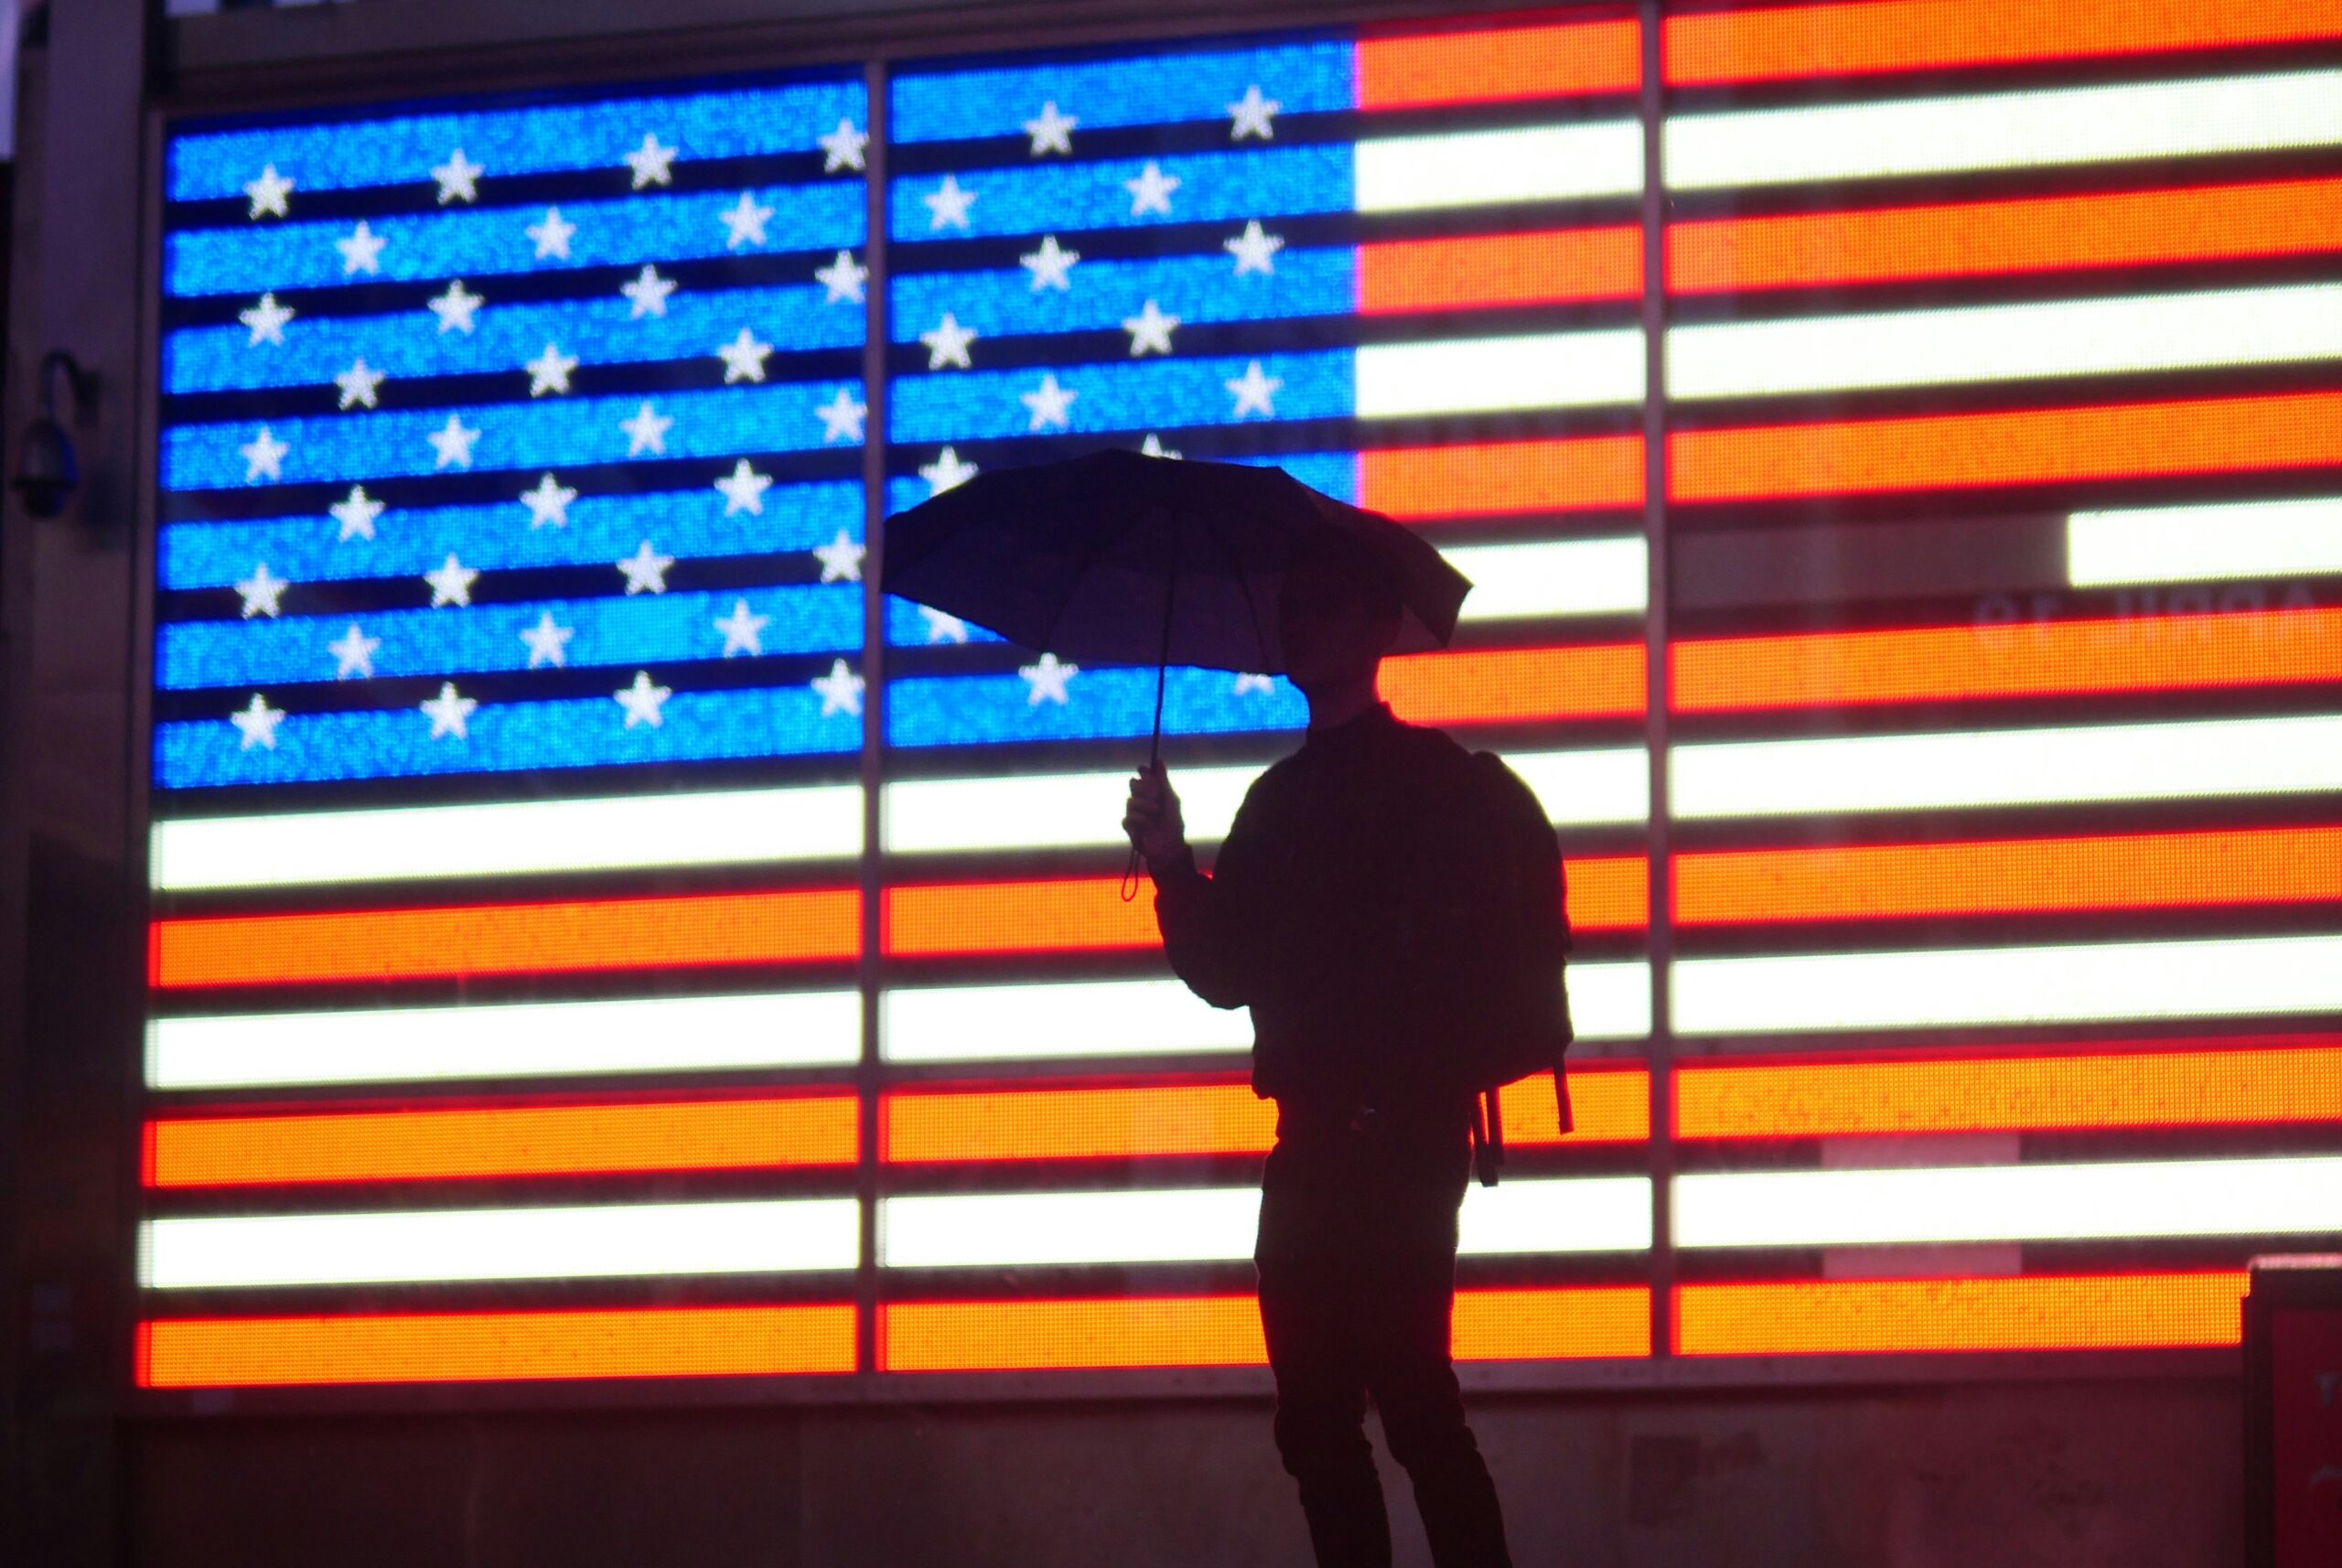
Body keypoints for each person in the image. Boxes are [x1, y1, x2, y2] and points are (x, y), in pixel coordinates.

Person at [1122, 527, 1539, 1568]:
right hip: (1334, 1143)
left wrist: (1181, 872)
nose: (1303, 624)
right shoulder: (1293, 800)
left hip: (1387, 1143)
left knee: (1398, 1409)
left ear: (1374, 628)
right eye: (1296, 608)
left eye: (1326, 607)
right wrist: (1171, 863)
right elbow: (1231, 973)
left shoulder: (1373, 792)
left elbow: (1237, 972)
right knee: (1334, 1419)